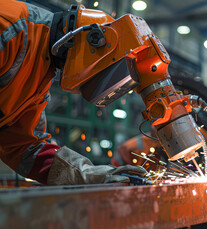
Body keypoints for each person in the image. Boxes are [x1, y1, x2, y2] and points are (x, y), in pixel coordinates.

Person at [0, 0, 147, 185]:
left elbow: (26, 149)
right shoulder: (10, 27)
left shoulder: (39, 78)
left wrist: (88, 174)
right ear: (92, 40)